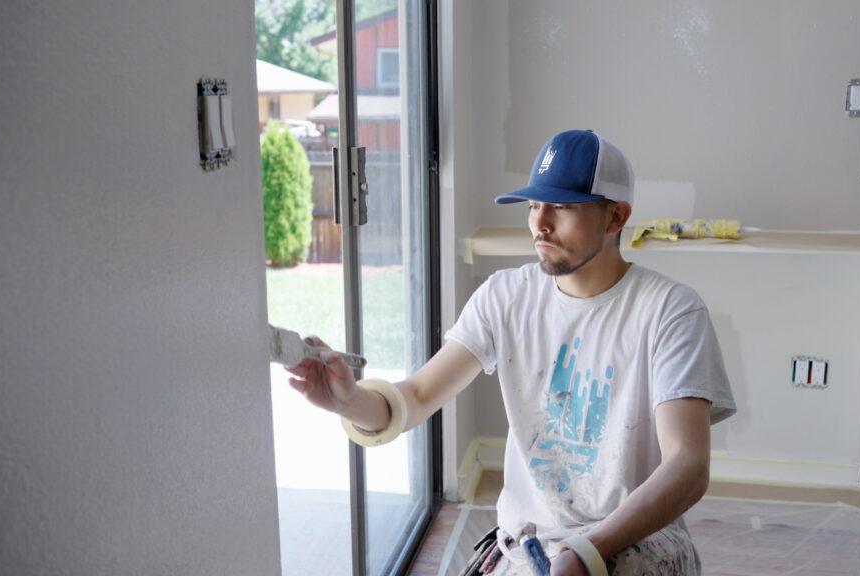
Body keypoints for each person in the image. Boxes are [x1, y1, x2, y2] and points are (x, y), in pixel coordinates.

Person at [286, 129, 737, 576]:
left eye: (561, 207)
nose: (540, 224)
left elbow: (688, 465)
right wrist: (348, 401)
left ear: (616, 217)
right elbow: (418, 396)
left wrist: (588, 553)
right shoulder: (506, 296)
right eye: (534, 205)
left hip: (637, 537)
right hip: (529, 541)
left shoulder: (671, 311)